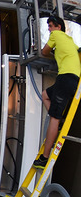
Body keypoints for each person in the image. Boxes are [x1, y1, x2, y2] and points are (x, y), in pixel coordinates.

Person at [36, 15, 81, 168]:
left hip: (65, 78)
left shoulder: (56, 35)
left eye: (50, 26)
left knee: (53, 118)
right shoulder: (70, 41)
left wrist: (50, 50)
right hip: (71, 79)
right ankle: (59, 122)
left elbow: (44, 52)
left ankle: (44, 158)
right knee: (45, 95)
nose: (49, 29)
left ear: (58, 27)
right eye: (48, 26)